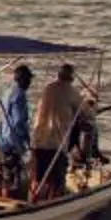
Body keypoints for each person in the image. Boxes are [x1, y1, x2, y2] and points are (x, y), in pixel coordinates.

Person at [31, 62, 88, 198]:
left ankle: (32, 200)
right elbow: (87, 113)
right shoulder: (71, 91)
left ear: (58, 75)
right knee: (56, 183)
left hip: (38, 141)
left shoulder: (47, 88)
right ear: (71, 78)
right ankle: (51, 205)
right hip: (57, 144)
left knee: (36, 178)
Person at [0, 64, 35, 197]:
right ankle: (8, 208)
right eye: (29, 80)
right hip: (12, 143)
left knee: (1, 177)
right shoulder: (20, 95)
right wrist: (26, 144)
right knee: (10, 180)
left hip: (1, 140)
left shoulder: (7, 92)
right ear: (24, 80)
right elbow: (18, 122)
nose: (30, 83)